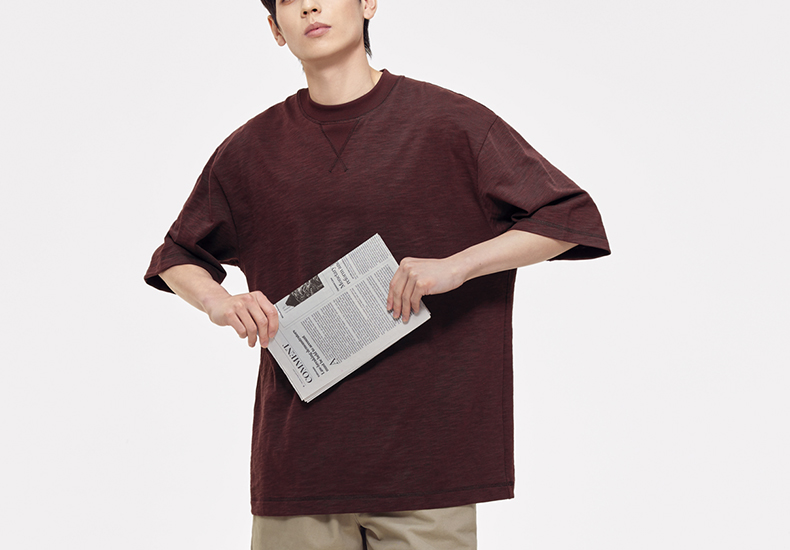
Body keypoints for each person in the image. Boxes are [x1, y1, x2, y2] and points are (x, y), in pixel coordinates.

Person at [144, 0, 610, 548]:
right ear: (275, 29)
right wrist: (219, 302)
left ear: (368, 2)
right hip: (299, 472)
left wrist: (459, 266)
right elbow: (177, 254)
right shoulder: (249, 151)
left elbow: (569, 217)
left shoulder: (451, 123)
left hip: (430, 472)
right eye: (288, 0)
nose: (309, 6)